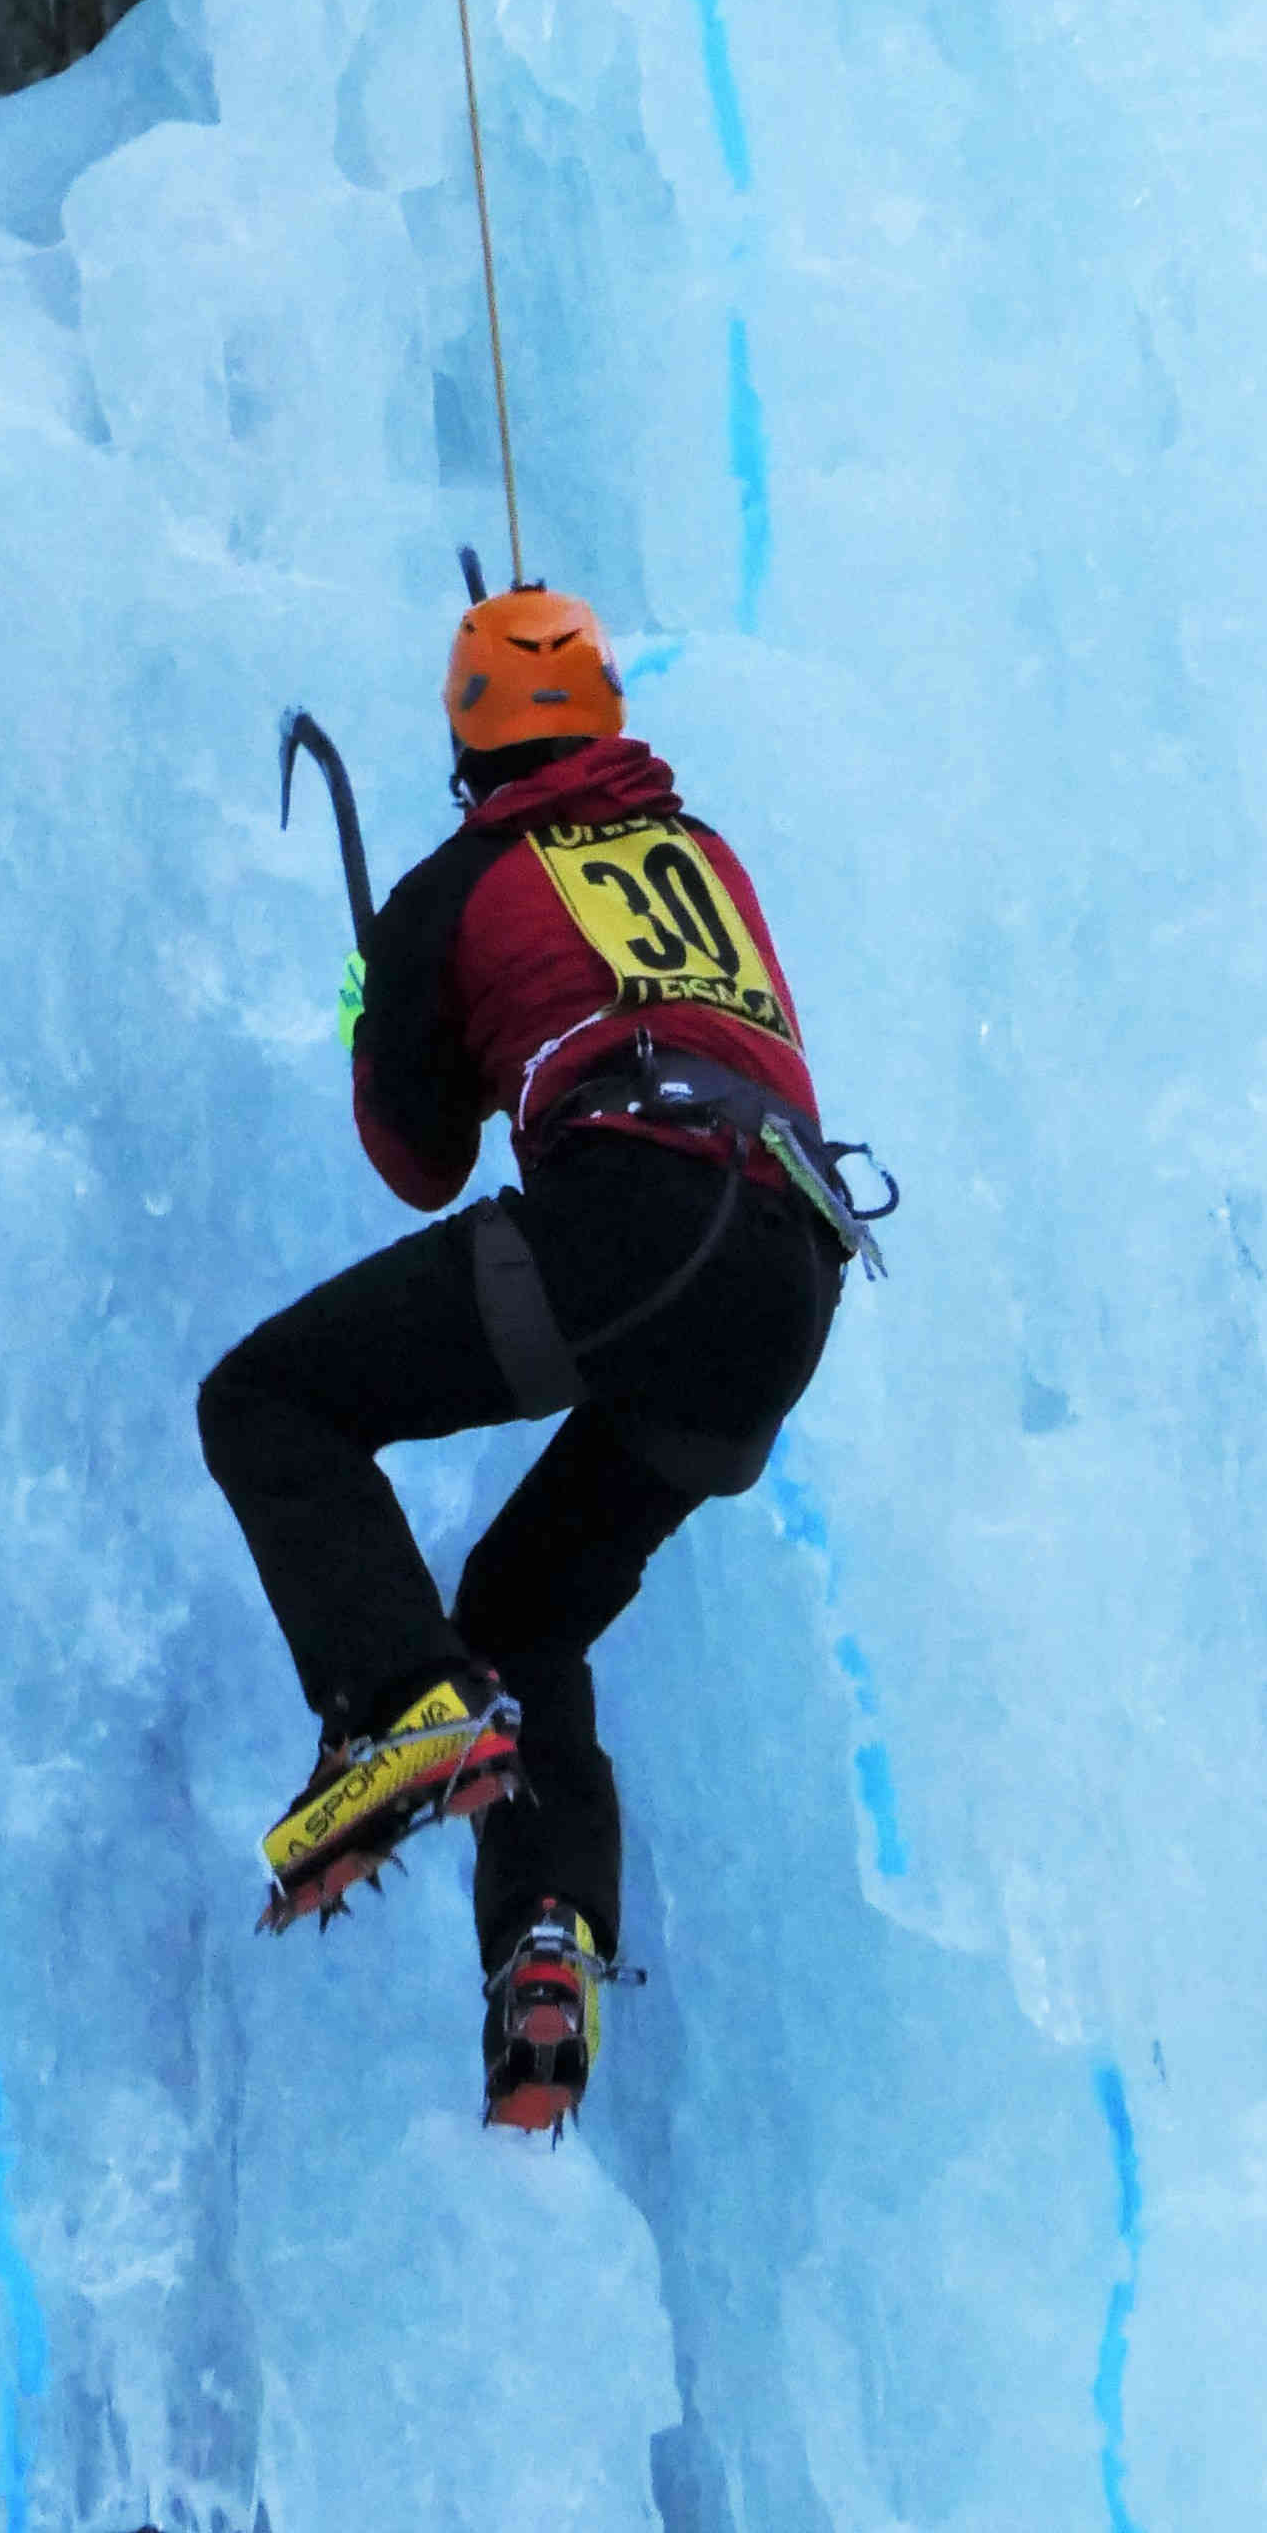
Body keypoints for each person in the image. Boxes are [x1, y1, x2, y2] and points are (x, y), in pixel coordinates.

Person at [197, 583, 853, 2132]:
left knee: (272, 1401)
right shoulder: (707, 858)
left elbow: (415, 1157)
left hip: (639, 1216)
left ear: (466, 747)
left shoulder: (465, 879)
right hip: (787, 1284)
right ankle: (546, 1940)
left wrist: (376, 998)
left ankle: (399, 1699)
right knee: (525, 1613)